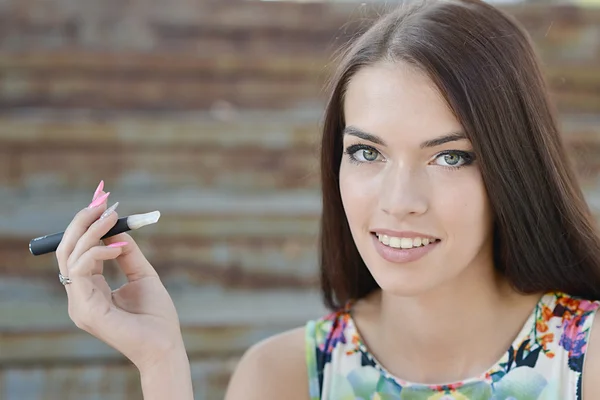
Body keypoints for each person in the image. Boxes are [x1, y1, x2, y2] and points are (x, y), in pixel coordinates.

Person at [54, 0, 600, 398]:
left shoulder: (587, 360)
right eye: (367, 153)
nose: (399, 200)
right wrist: (160, 360)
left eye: (450, 156)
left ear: (514, 166)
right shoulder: (280, 377)